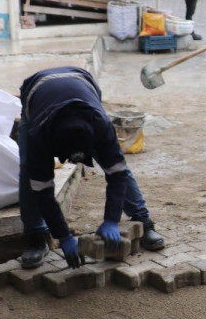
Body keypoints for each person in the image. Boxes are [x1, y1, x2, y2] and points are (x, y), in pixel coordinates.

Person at [17, 66, 164, 269]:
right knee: (29, 173)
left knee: (116, 165)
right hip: (36, 98)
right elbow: (43, 191)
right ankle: (36, 237)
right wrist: (63, 236)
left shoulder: (101, 125)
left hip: (84, 87)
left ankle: (144, 221)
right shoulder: (38, 136)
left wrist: (111, 220)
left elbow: (117, 174)